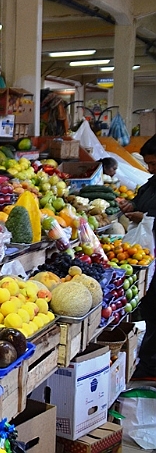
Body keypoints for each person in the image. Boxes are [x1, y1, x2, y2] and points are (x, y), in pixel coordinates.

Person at [118, 135, 156, 378]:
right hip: (147, 255)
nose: (150, 169)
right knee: (150, 309)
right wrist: (130, 207)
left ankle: (150, 368)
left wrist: (144, 218)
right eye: (148, 164)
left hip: (152, 252)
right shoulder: (152, 184)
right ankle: (147, 363)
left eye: (154, 164)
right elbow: (141, 202)